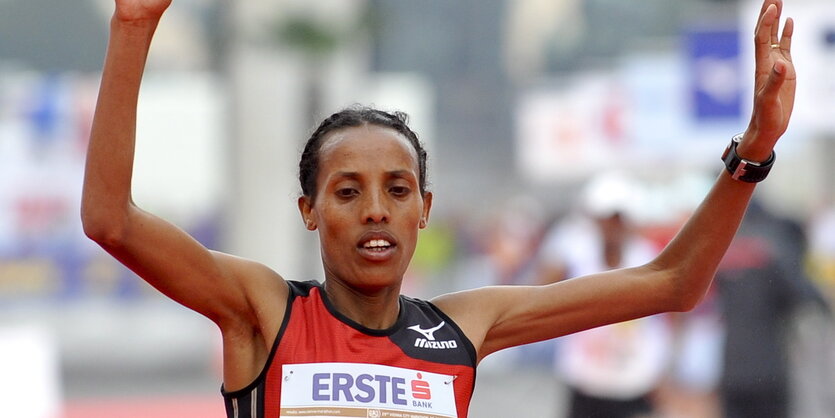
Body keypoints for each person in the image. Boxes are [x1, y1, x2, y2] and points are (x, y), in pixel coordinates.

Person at [80, 1, 796, 417]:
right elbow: (111, 221)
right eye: (347, 191)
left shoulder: (463, 327)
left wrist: (753, 151)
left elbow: (673, 282)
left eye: (396, 191)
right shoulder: (264, 312)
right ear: (309, 210)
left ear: (424, 209)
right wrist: (134, 26)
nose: (374, 212)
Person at [538, 173, 672, 418]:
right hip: (586, 380)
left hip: (635, 382)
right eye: (606, 219)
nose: (613, 227)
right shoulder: (575, 253)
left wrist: (665, 370)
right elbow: (540, 292)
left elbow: (667, 319)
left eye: (618, 219)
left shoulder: (646, 257)